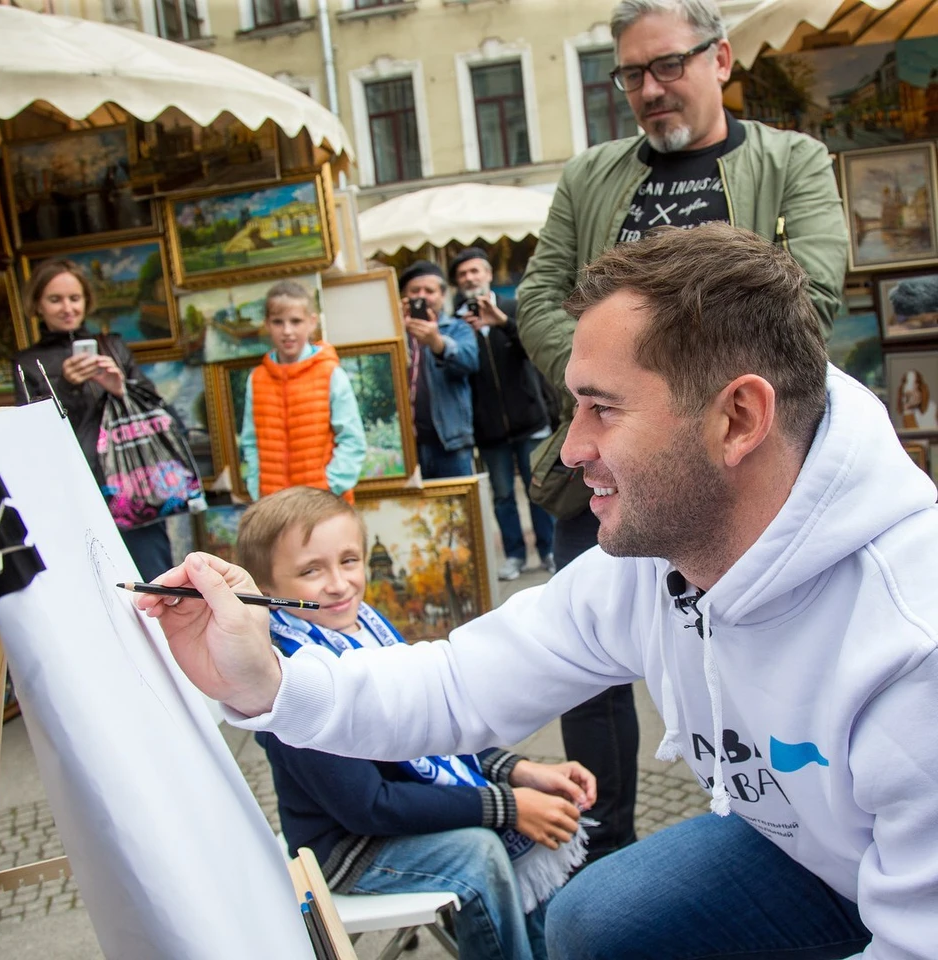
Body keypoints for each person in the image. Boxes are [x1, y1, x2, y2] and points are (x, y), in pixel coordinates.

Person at [138, 225, 938, 959]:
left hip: (894, 892)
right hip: (811, 850)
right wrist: (267, 680)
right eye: (570, 406)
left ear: (738, 418)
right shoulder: (656, 562)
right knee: (591, 920)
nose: (569, 449)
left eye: (602, 409)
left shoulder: (911, 644)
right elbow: (458, 683)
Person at [516, 0, 849, 862]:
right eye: (631, 74)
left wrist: (673, 394)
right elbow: (537, 296)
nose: (650, 89)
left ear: (721, 59)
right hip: (601, 463)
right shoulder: (592, 176)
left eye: (668, 66)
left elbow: (812, 301)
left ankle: (779, 831)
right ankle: (606, 844)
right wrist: (605, 390)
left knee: (760, 648)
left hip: (744, 467)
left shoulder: (791, 160)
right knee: (588, 666)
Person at [235, 486, 596, 960]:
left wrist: (518, 771)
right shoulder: (289, 679)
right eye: (310, 571)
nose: (339, 584)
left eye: (348, 560)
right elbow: (369, 807)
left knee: (533, 809)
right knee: (480, 851)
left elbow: (428, 727)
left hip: (386, 814)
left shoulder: (366, 627)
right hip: (346, 848)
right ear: (266, 593)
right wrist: (506, 806)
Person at [12, 258, 173, 581]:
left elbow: (154, 405)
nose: (67, 308)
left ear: (86, 300)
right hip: (72, 485)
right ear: (38, 305)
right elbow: (31, 433)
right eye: (55, 299)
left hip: (132, 480)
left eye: (75, 298)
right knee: (93, 581)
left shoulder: (112, 346)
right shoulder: (28, 362)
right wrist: (67, 388)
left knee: (156, 578)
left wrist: (119, 388)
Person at [449, 247, 556, 581]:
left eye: (475, 271)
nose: (469, 278)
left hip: (529, 418)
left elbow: (535, 348)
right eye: (463, 275)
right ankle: (514, 555)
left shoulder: (512, 309)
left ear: (488, 274)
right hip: (489, 429)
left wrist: (503, 322)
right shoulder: (455, 324)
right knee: (504, 496)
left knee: (538, 489)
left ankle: (549, 549)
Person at [239, 279, 365, 501]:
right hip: (274, 505)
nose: (287, 331)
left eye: (296, 321)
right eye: (278, 322)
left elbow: (352, 440)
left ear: (311, 322)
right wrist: (257, 488)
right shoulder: (257, 379)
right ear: (267, 324)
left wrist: (327, 487)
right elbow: (251, 441)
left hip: (324, 504)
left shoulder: (331, 374)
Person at [399, 260, 479, 479]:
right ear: (404, 297)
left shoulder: (457, 328)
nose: (422, 296)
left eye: (430, 290)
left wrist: (437, 342)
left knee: (461, 510)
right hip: (406, 447)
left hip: (450, 443)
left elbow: (469, 362)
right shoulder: (394, 335)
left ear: (442, 296)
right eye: (415, 290)